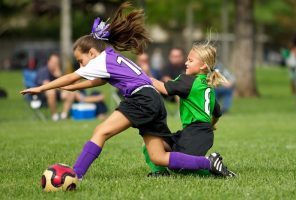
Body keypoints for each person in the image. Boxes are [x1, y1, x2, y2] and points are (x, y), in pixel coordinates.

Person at [20, 2, 233, 180]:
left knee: (101, 132)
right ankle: (207, 164)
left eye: (80, 60)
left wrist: (42, 87)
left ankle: (75, 175)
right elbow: (96, 82)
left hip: (141, 99)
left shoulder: (101, 59)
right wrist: (68, 86)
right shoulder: (111, 58)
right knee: (158, 156)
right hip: (153, 100)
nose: (81, 64)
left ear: (92, 53)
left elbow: (73, 75)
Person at [144, 42, 236, 177]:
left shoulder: (189, 81)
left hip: (195, 134)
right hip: (195, 133)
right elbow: (217, 111)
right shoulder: (207, 86)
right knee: (152, 142)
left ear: (203, 65)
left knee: (180, 167)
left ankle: (214, 169)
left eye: (190, 60)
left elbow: (164, 88)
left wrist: (142, 77)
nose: (186, 63)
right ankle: (160, 173)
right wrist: (211, 124)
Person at [36, 53, 75, 121]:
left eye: (57, 63)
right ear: (48, 62)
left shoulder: (58, 72)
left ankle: (64, 116)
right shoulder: (43, 71)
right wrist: (60, 87)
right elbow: (47, 86)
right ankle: (55, 116)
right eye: (53, 62)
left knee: (70, 93)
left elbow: (65, 85)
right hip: (42, 95)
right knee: (51, 92)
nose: (55, 64)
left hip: (57, 93)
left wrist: (59, 76)